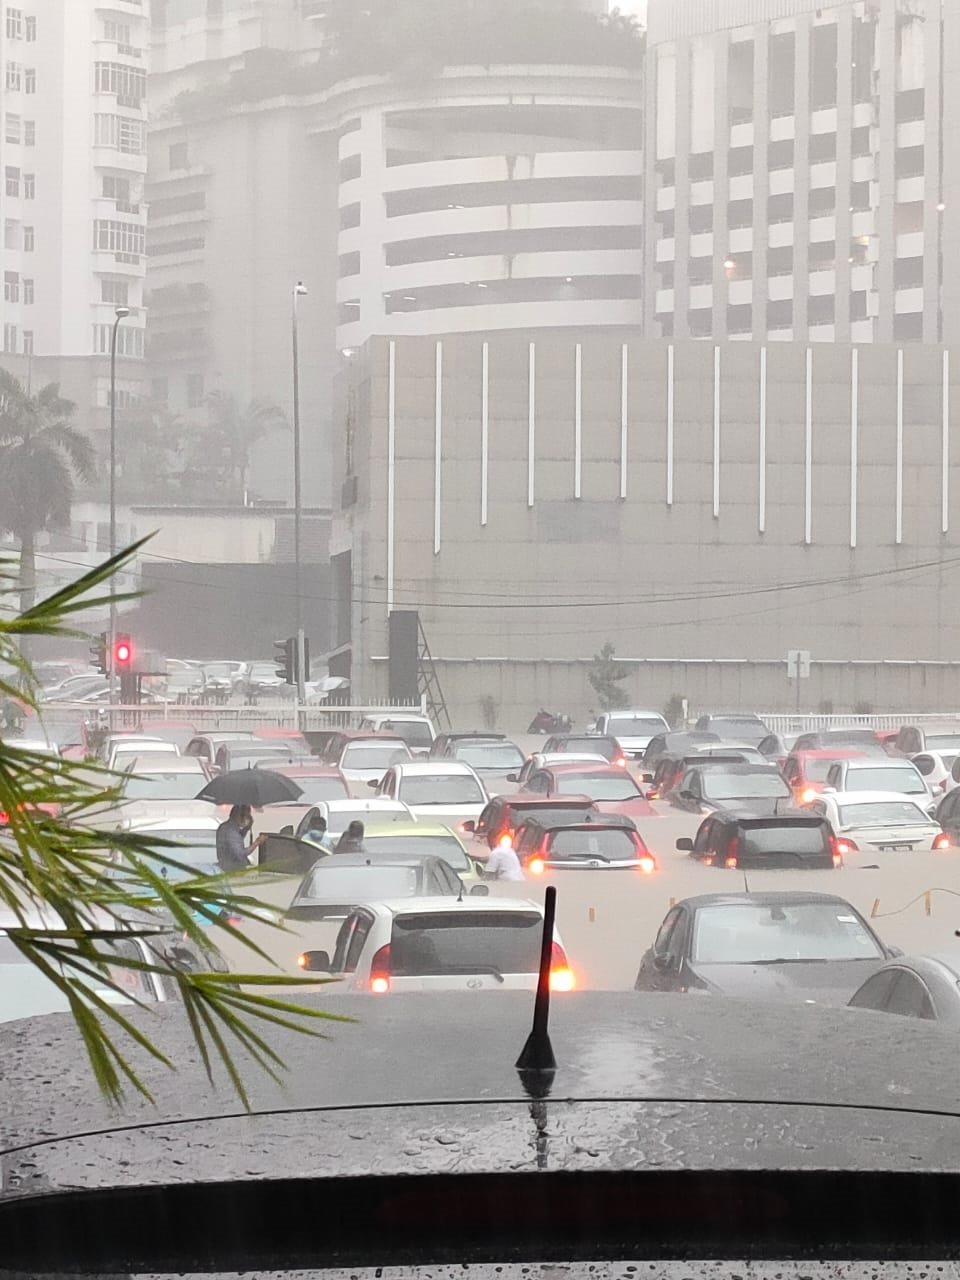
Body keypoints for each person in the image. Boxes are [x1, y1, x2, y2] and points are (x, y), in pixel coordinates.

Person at [216, 804, 264, 872]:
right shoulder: (231, 831)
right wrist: (257, 842)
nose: (249, 818)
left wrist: (246, 829)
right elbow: (241, 853)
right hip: (233, 869)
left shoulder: (224, 826)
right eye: (247, 816)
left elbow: (237, 841)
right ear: (239, 816)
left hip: (225, 865)